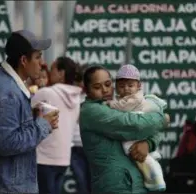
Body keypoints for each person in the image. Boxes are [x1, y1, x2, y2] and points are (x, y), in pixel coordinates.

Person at [0, 30, 59, 194]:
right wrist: (43, 125)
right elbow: (6, 143)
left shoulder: (1, 81)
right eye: (38, 57)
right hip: (5, 186)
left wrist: (29, 114)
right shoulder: (7, 92)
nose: (42, 63)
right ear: (24, 60)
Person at [79, 66, 169, 194]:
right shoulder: (92, 111)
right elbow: (134, 125)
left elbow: (150, 130)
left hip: (135, 182)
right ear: (87, 90)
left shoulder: (118, 104)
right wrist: (162, 118)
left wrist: (148, 144)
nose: (105, 90)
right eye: (97, 87)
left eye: (108, 84)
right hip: (114, 185)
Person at [106, 64, 166, 191]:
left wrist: (148, 143)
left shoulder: (135, 100)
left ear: (139, 86)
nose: (126, 89)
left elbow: (157, 127)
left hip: (136, 148)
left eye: (130, 85)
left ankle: (155, 179)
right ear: (116, 88)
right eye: (121, 86)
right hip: (117, 177)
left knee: (142, 158)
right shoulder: (100, 109)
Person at [31, 56, 82, 194]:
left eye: (52, 68)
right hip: (63, 159)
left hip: (43, 157)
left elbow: (24, 110)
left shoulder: (46, 93)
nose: (49, 72)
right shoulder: (76, 98)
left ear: (61, 73)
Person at [71, 64, 91, 194]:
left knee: (94, 184)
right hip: (74, 147)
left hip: (92, 147)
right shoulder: (70, 95)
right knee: (81, 184)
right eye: (80, 79)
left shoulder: (97, 97)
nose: (82, 83)